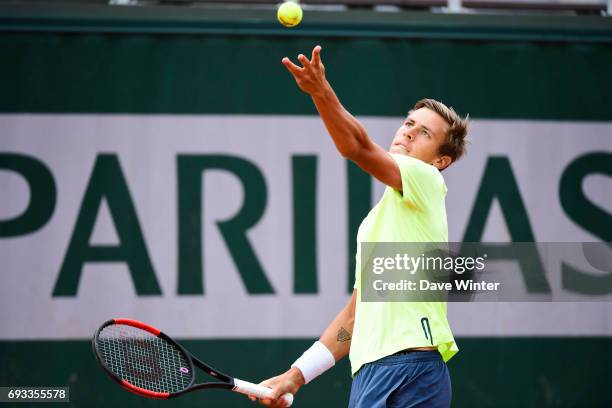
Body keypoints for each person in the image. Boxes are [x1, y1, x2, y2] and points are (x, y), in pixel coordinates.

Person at [251, 45, 469, 408]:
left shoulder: (427, 178)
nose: (409, 133)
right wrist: (295, 375)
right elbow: (355, 315)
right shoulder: (378, 221)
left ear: (441, 160)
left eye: (425, 134)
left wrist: (321, 91)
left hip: (411, 368)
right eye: (409, 123)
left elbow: (356, 147)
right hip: (371, 371)